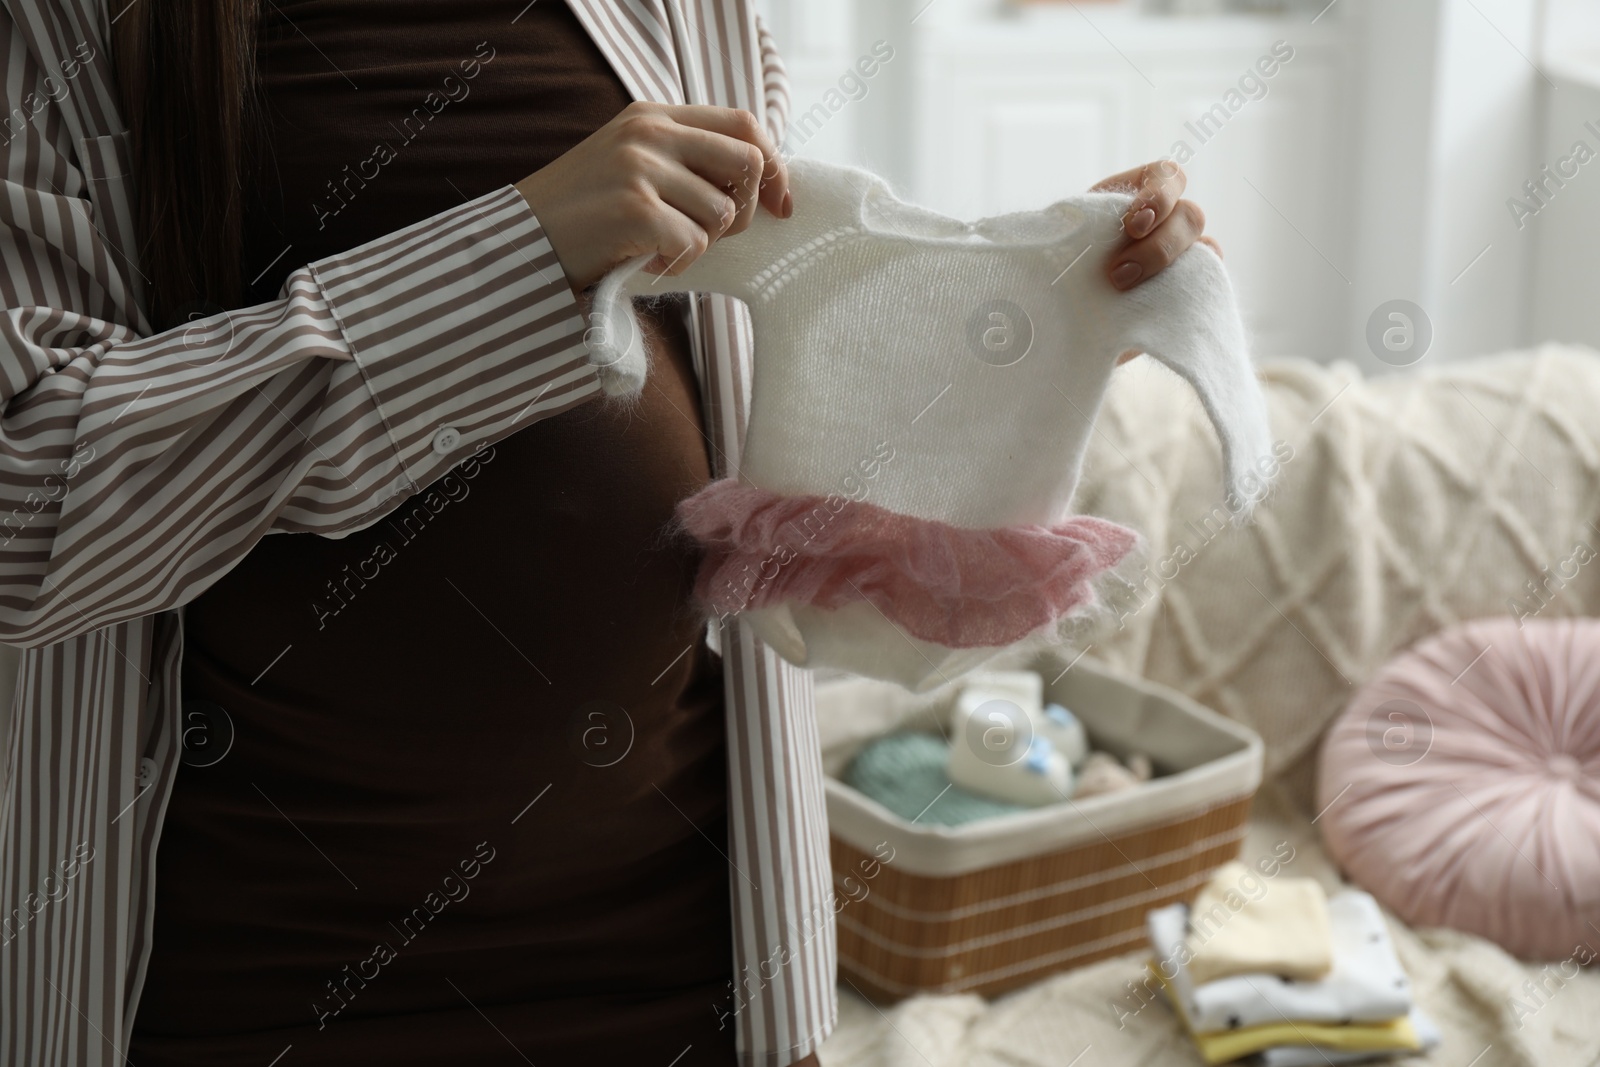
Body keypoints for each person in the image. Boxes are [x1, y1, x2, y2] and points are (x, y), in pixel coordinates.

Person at [0, 2, 1214, 1065]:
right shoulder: (65, 25)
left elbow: (777, 359)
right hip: (241, 988)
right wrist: (518, 253)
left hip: (684, 966)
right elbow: (25, 515)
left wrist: (1025, 317)